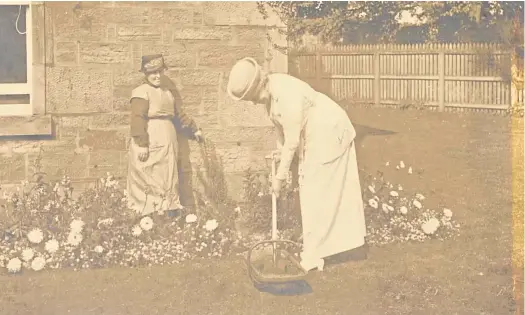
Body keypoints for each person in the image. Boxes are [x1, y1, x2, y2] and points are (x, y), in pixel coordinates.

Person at [226, 57, 367, 272]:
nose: (253, 102)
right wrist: (279, 153)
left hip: (329, 131)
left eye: (251, 97)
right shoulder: (271, 94)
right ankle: (318, 246)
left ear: (257, 86)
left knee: (314, 190)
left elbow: (292, 139)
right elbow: (281, 131)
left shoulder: (286, 93)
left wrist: (279, 179)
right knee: (312, 189)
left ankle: (315, 255)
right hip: (315, 133)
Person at [127, 54, 203, 218]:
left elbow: (178, 116)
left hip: (168, 141)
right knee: (149, 179)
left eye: (159, 72)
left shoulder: (167, 93)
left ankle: (168, 217)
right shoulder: (141, 92)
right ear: (146, 74)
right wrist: (142, 144)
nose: (157, 76)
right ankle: (148, 220)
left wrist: (193, 130)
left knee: (168, 179)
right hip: (150, 140)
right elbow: (137, 119)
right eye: (152, 73)